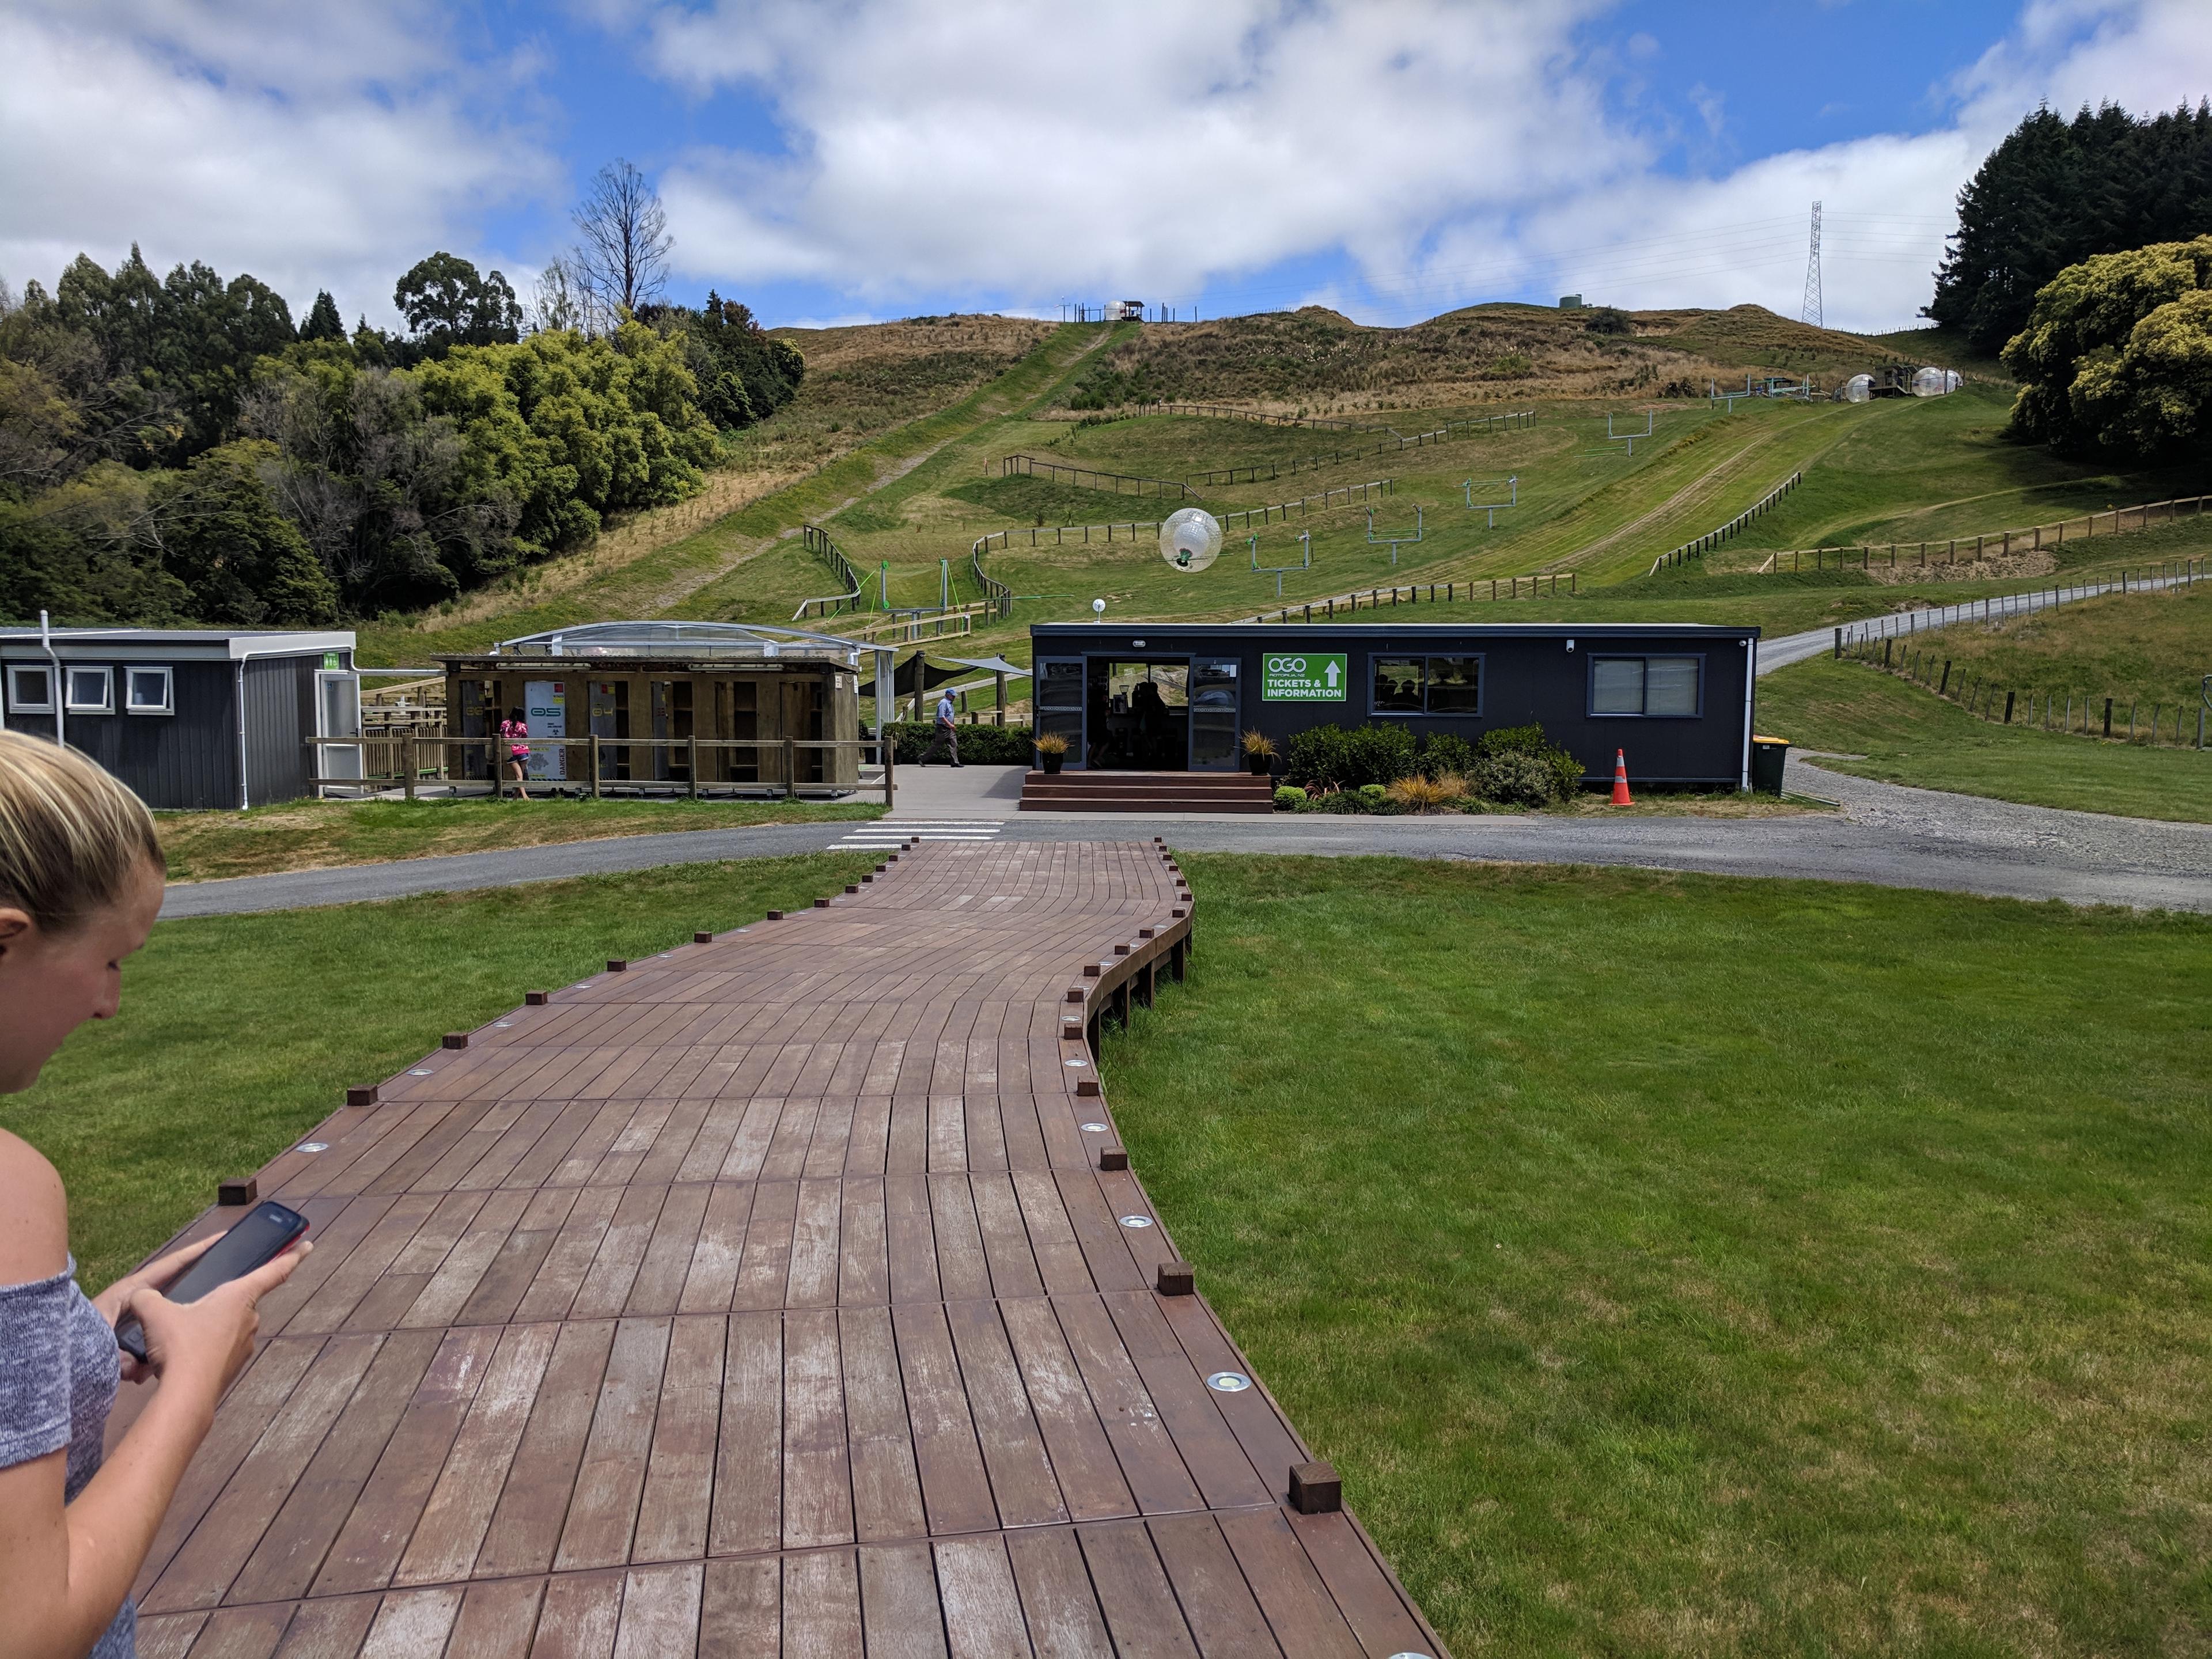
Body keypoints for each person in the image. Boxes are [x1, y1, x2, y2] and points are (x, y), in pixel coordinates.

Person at [0, 732, 309, 1659]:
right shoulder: (9, 1191)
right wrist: (196, 1383)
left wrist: (69, 1330)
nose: (110, 1004)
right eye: (108, 960)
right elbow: (27, 1627)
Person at [920, 687, 962, 767]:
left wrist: (951, 725)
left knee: (954, 744)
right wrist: (950, 725)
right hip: (942, 728)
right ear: (948, 695)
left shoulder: (949, 703)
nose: (954, 697)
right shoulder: (943, 703)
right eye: (953, 696)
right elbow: (942, 716)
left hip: (949, 728)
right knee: (937, 746)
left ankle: (955, 762)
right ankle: (922, 758)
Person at [498, 707, 531, 798]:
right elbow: (525, 736)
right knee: (521, 775)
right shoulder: (523, 726)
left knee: (518, 775)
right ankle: (525, 796)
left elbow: (502, 735)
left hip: (509, 750)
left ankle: (516, 797)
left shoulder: (505, 724)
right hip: (522, 750)